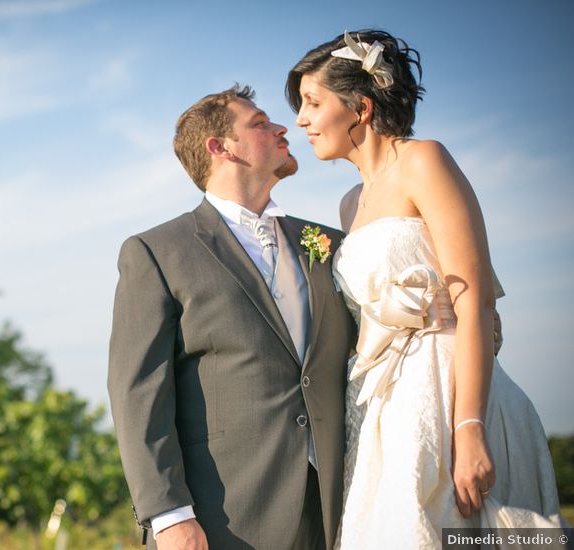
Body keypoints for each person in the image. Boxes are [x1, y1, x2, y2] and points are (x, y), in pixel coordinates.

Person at [288, 30, 567, 548]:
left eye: (312, 103)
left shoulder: (425, 160)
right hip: (381, 402)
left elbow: (475, 298)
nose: (301, 120)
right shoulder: (351, 203)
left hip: (449, 388)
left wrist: (469, 426)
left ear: (361, 107)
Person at [108, 84, 356, 549]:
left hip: (340, 505)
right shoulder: (156, 252)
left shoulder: (328, 244)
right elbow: (137, 392)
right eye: (261, 123)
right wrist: (168, 516)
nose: (284, 127)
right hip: (227, 518)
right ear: (220, 147)